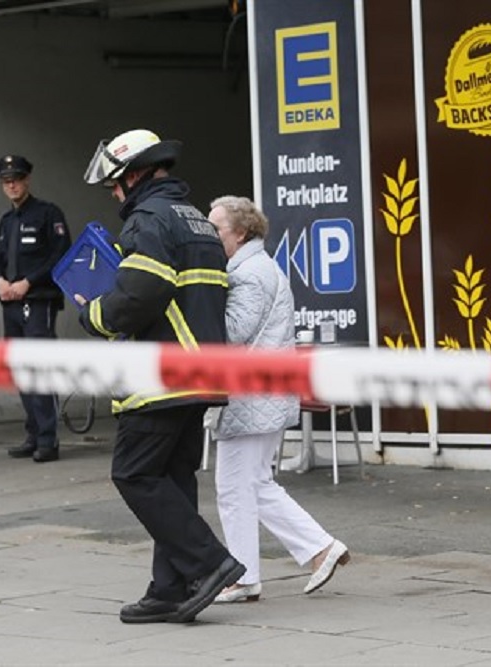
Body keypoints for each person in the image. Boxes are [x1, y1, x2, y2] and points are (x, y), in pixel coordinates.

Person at [77, 129, 244, 624]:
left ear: (135, 175)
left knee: (133, 473)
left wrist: (95, 316)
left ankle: (211, 563)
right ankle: (169, 590)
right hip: (200, 373)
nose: (113, 193)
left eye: (114, 184)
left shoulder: (149, 218)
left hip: (163, 376)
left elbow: (143, 291)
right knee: (172, 477)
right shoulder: (196, 220)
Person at [206, 196, 350, 603]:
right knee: (254, 484)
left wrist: (203, 300)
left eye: (216, 228)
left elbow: (234, 331)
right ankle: (318, 549)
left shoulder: (248, 274)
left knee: (234, 489)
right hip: (264, 395)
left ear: (241, 232)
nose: (210, 234)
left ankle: (244, 576)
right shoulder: (257, 268)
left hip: (251, 397)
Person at [0, 155, 71, 463]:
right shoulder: (6, 221)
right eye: (6, 181)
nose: (11, 185)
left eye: (16, 179)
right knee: (21, 369)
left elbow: (60, 256)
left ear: (27, 180)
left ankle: (48, 440)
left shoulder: (48, 214)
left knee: (40, 367)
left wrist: (29, 282)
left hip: (38, 302)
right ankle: (34, 433)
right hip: (10, 303)